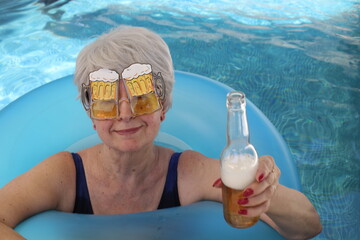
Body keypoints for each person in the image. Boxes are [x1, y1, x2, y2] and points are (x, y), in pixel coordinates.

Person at [0, 26, 322, 239]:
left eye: (141, 97)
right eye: (107, 100)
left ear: (164, 104)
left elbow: (309, 225)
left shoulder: (187, 173)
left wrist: (266, 194)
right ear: (90, 113)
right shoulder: (65, 174)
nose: (125, 114)